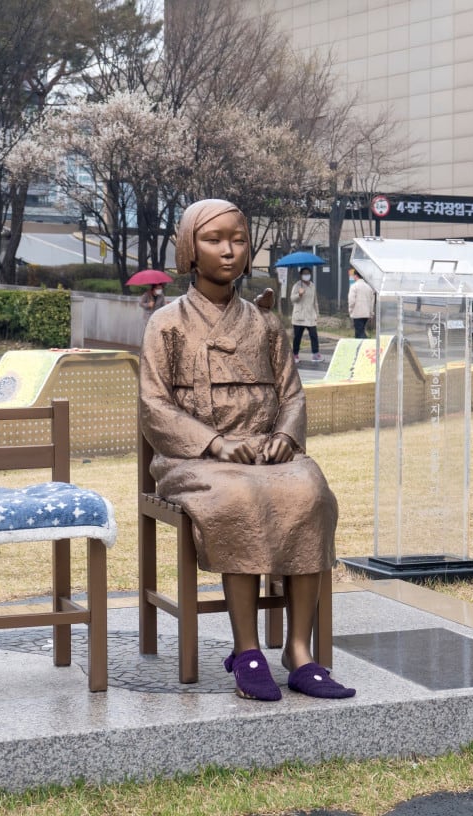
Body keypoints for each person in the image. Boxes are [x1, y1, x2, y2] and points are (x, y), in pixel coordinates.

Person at [139, 199, 353, 701]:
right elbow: (153, 405)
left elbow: (292, 392)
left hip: (266, 453)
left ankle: (299, 651)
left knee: (311, 493)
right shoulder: (166, 323)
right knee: (238, 502)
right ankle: (247, 649)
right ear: (190, 249)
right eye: (214, 240)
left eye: (237, 239)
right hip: (195, 460)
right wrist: (214, 441)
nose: (229, 250)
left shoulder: (265, 322)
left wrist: (285, 434)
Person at [290, 266, 320, 362]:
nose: (306, 275)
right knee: (297, 337)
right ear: (301, 275)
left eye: (308, 273)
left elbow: (315, 301)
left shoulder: (312, 285)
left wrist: (317, 314)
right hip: (299, 316)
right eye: (304, 273)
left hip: (310, 315)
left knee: (314, 335)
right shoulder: (297, 285)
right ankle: (295, 354)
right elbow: (292, 299)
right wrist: (299, 294)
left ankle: (315, 354)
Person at [347, 267, 374, 339]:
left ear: (356, 276)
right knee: (360, 330)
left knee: (359, 332)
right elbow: (372, 302)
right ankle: (359, 346)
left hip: (357, 313)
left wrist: (350, 310)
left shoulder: (354, 286)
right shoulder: (369, 287)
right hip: (366, 314)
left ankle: (365, 344)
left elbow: (351, 301)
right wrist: (371, 313)